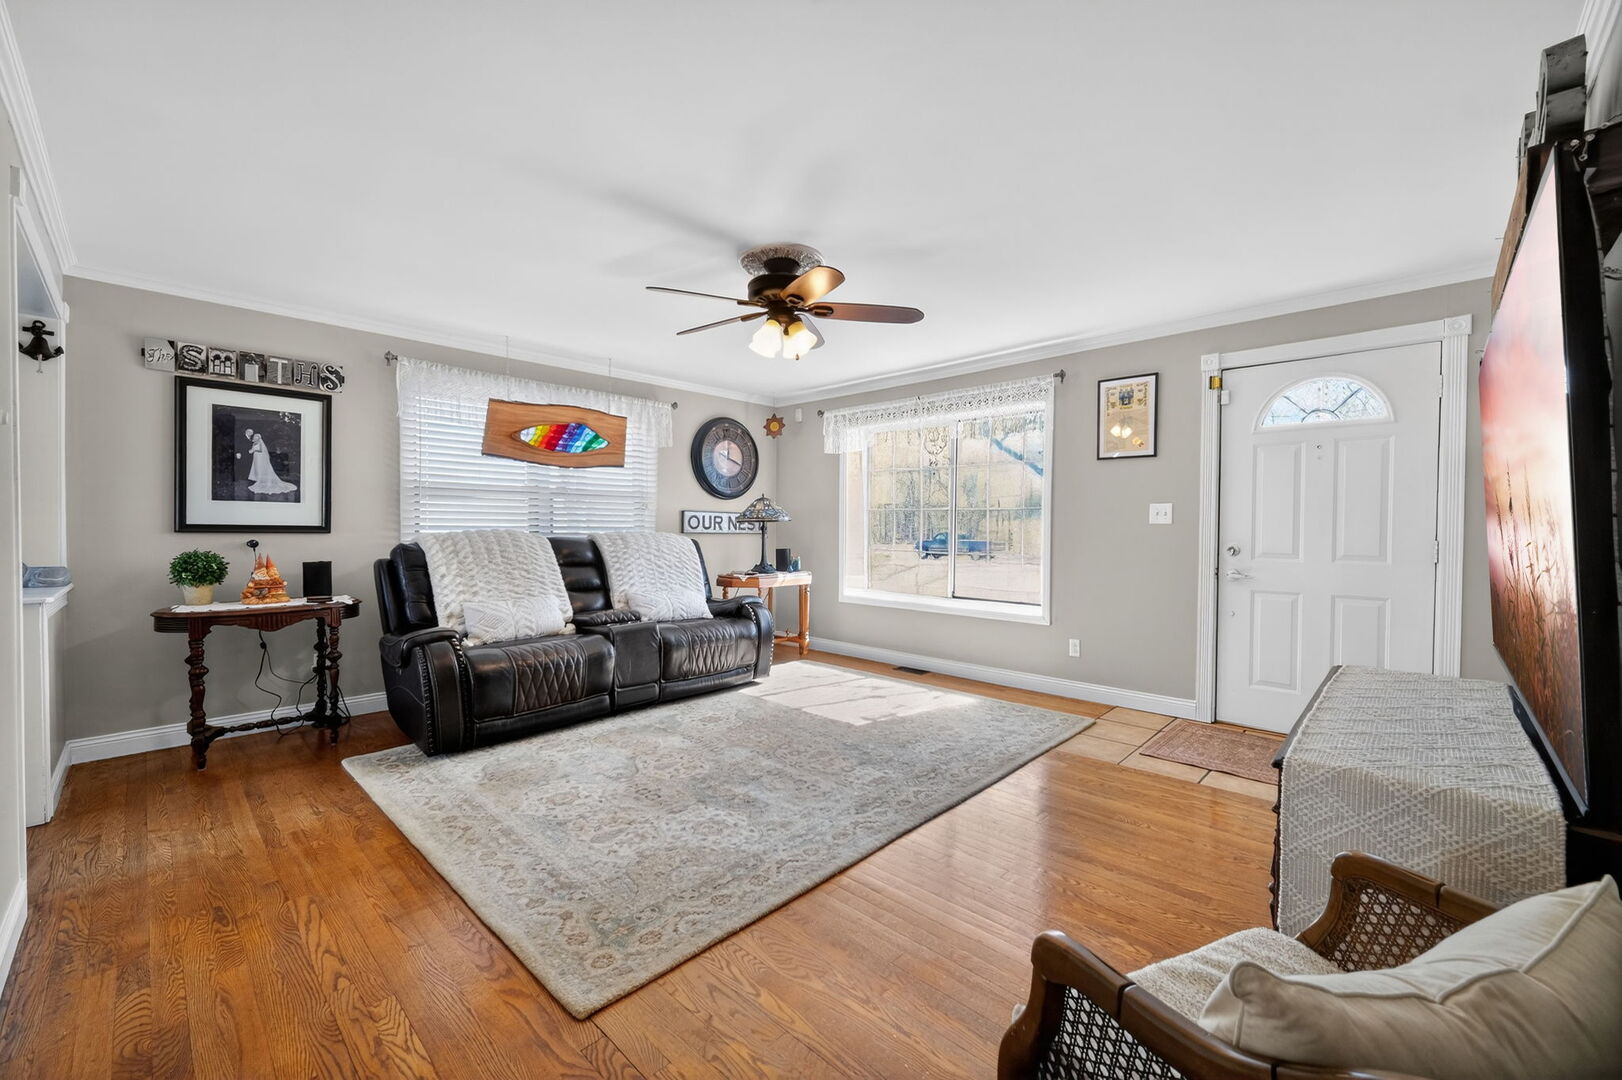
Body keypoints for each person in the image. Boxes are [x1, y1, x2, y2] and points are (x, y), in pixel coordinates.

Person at [245, 428, 297, 495]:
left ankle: (261, 480)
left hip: (259, 457)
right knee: (256, 467)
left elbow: (260, 450)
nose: (256, 438)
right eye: (255, 437)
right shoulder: (254, 443)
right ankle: (258, 478)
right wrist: (251, 451)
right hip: (255, 457)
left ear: (259, 438)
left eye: (257, 437)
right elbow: (252, 449)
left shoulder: (260, 443)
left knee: (260, 467)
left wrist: (254, 450)